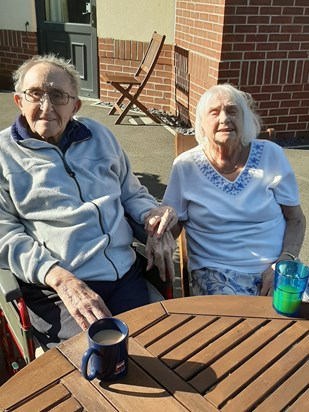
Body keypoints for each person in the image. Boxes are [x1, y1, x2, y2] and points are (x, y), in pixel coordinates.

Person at [0, 54, 176, 348]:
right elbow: (5, 236)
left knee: (157, 345)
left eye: (57, 95)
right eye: (35, 94)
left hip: (124, 272)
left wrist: (151, 217)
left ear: (75, 106)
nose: (46, 106)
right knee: (101, 358)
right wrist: (59, 278)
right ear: (19, 100)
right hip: (57, 285)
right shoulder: (4, 155)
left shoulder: (100, 136)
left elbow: (131, 192)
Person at [160, 83, 306, 296]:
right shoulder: (186, 165)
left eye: (232, 111)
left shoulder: (271, 154)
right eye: (214, 112)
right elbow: (174, 220)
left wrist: (284, 262)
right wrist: (160, 236)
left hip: (277, 266)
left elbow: (296, 219)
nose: (224, 119)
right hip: (216, 271)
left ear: (244, 119)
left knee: (298, 318)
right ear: (202, 124)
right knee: (239, 326)